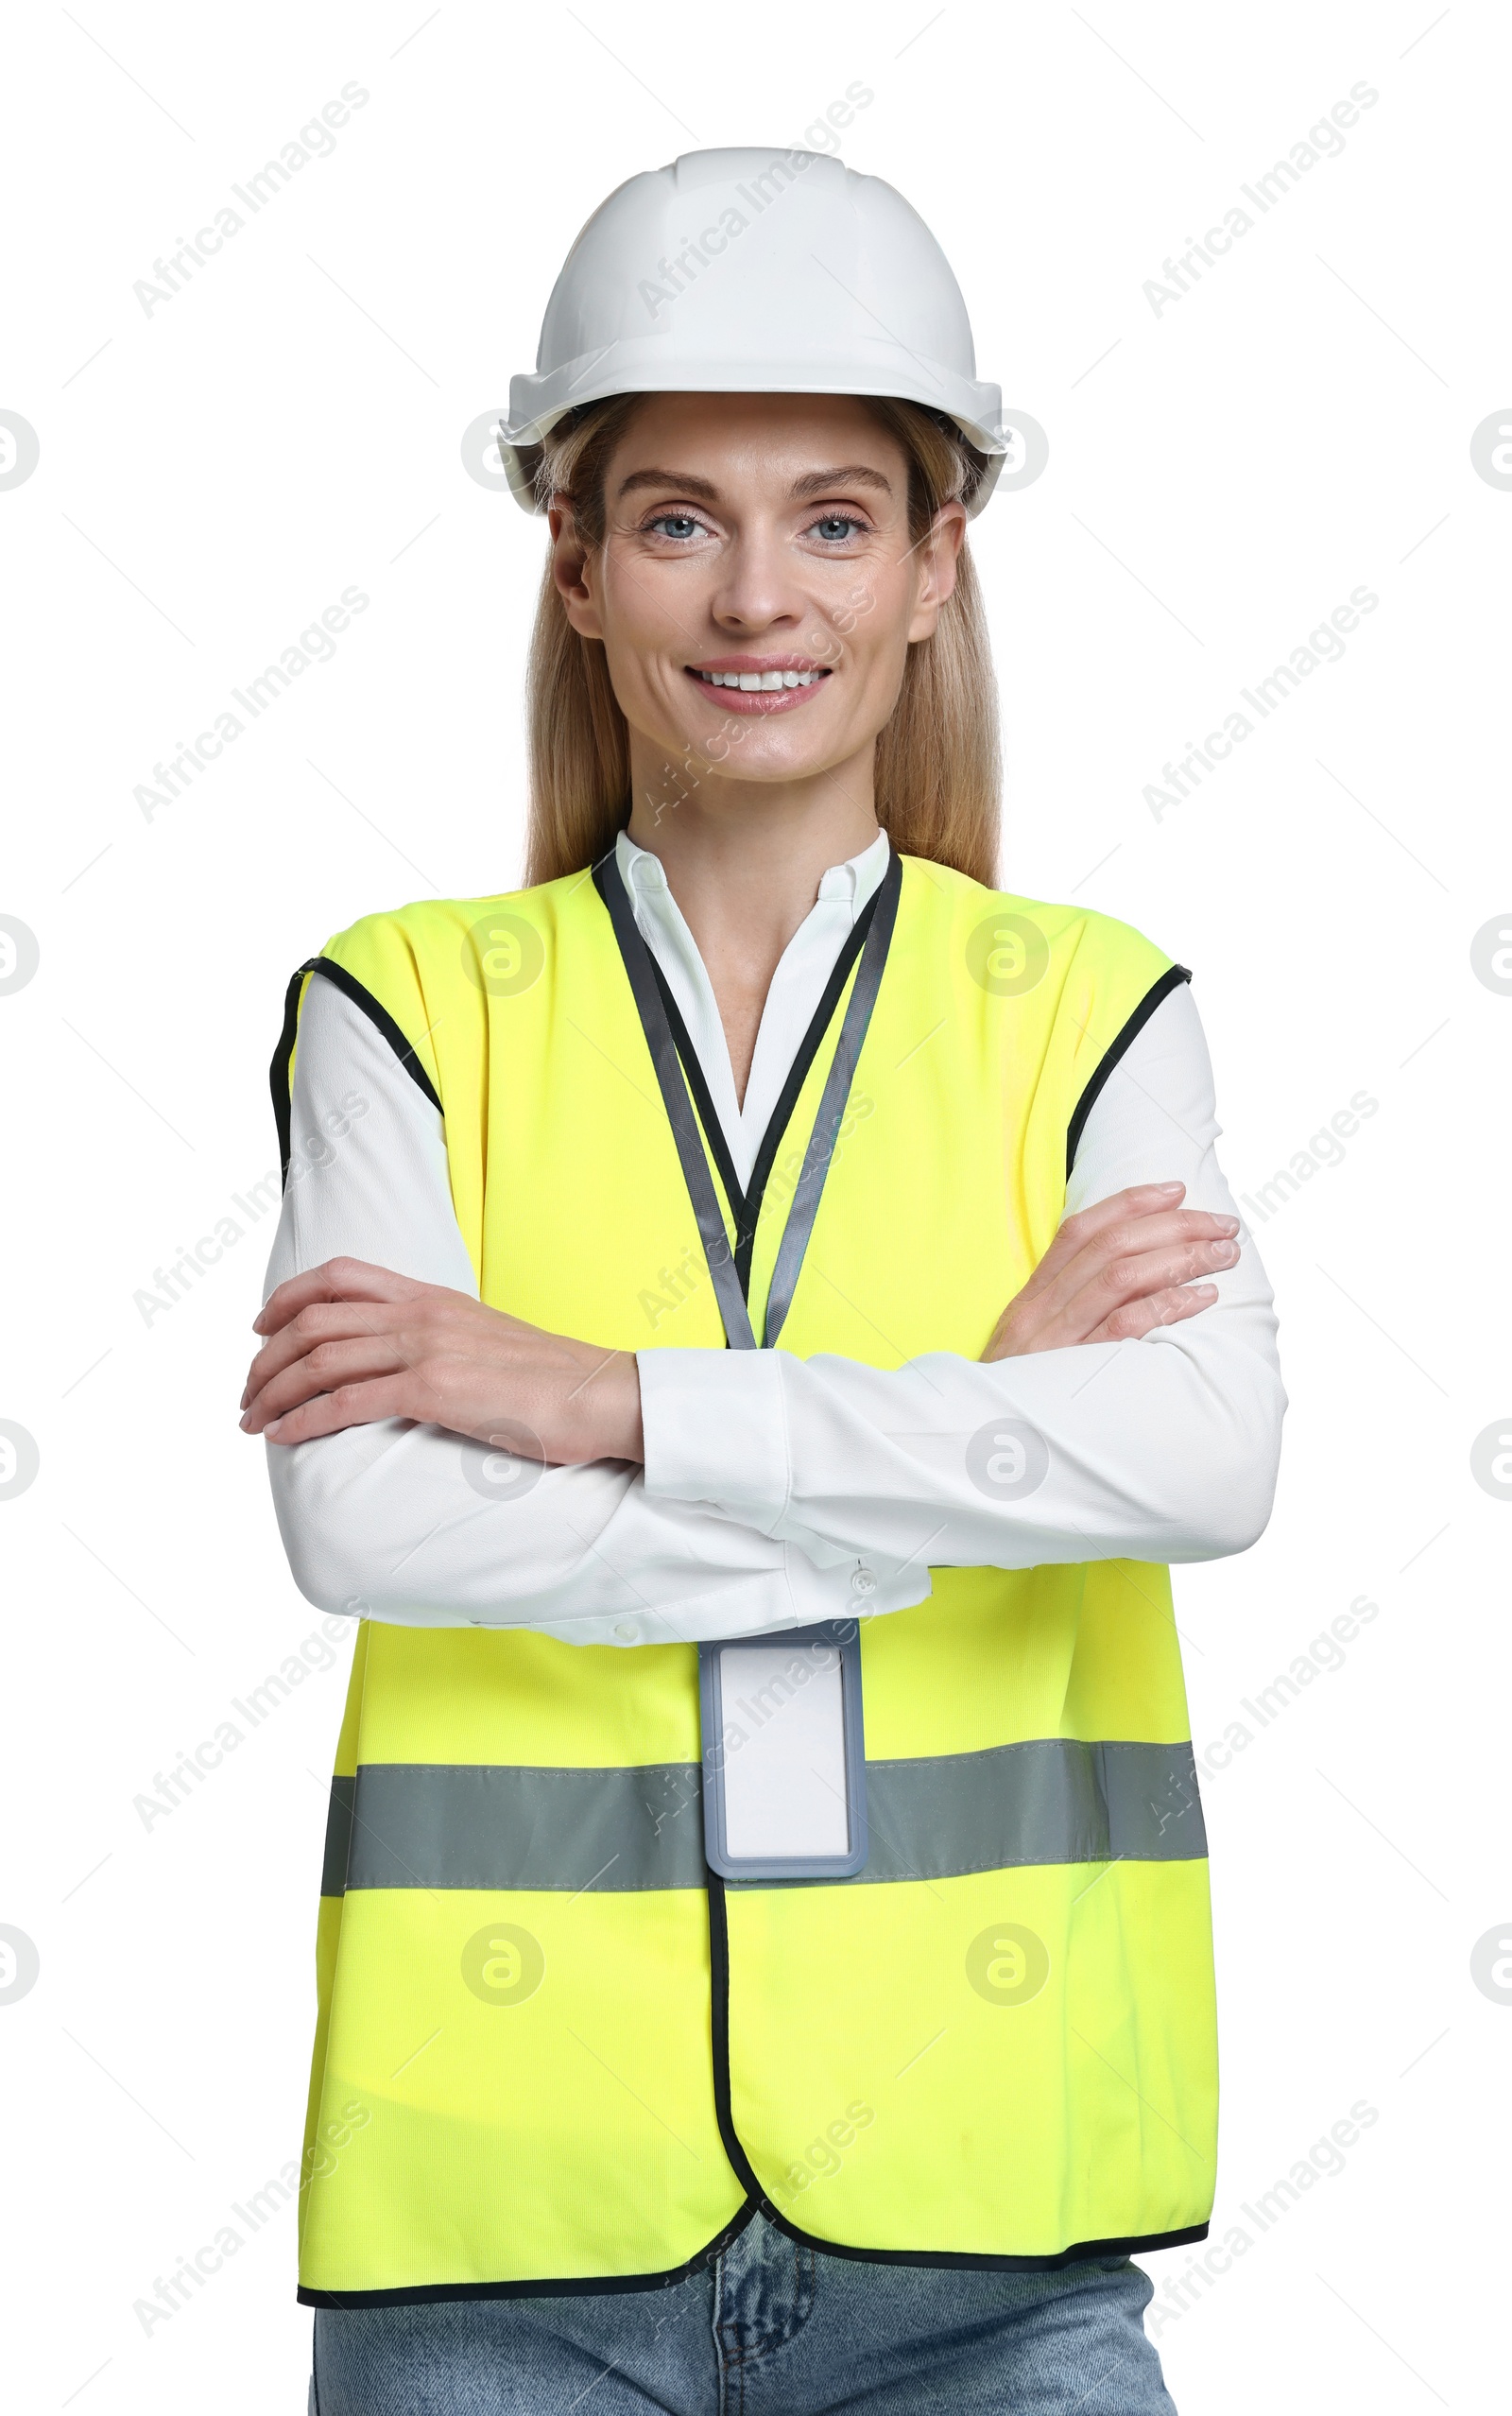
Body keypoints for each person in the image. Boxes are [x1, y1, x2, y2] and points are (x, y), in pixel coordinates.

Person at [242, 148, 1284, 2415]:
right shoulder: (406, 1010)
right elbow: (365, 1520)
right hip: (493, 2229)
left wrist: (598, 1399)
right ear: (579, 567)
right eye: (676, 519)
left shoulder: (1088, 1009)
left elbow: (1201, 1466)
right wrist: (972, 1444)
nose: (753, 597)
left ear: (933, 571)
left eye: (831, 517)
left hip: (987, 2220)